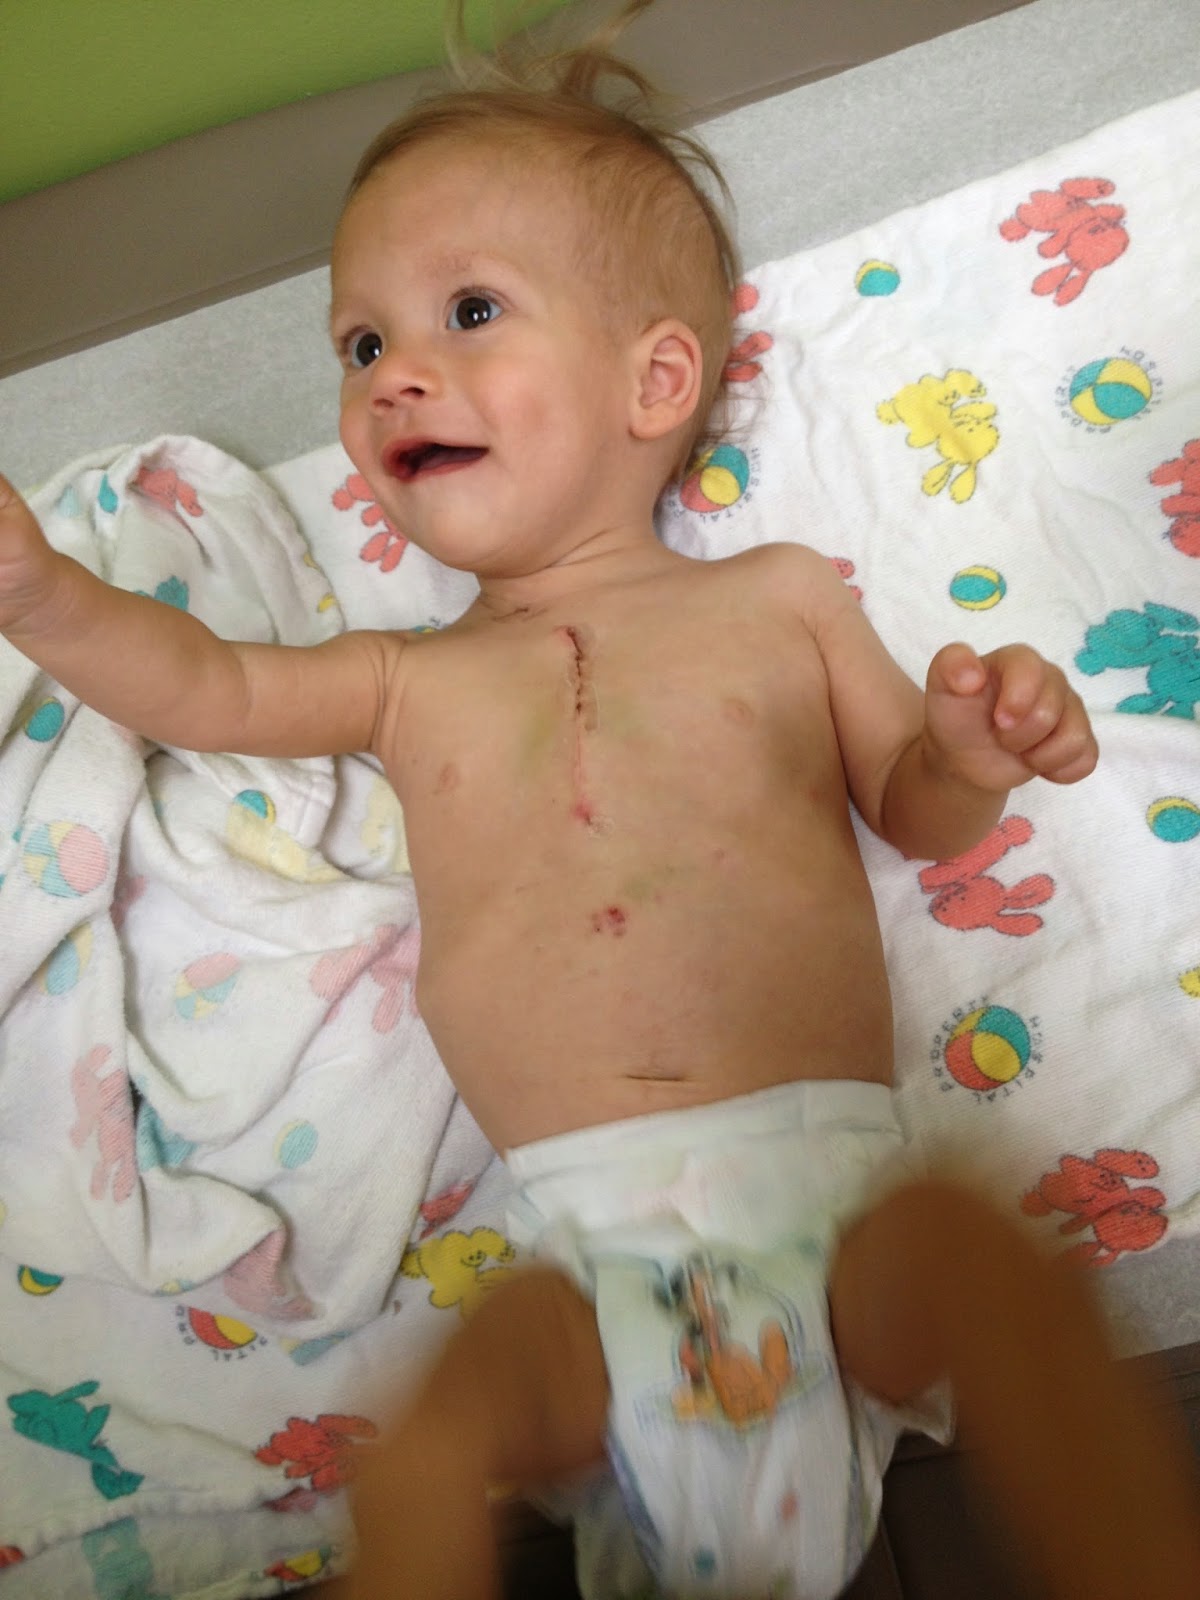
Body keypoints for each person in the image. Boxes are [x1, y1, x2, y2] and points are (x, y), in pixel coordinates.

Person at [1, 6, 1197, 1598]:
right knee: (429, 1444)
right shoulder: (405, 677)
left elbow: (910, 809)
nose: (392, 374)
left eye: (468, 311)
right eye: (358, 345)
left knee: (987, 1261)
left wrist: (970, 754)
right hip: (586, 1266)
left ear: (655, 379)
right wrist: (40, 594)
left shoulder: (778, 601)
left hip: (841, 1230)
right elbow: (206, 689)